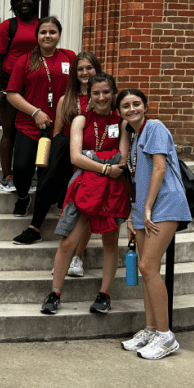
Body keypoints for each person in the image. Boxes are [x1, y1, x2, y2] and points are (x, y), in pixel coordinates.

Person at [40, 74, 130, 316]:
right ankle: (55, 293)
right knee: (68, 240)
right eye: (96, 92)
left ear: (113, 94)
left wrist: (95, 159)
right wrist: (104, 166)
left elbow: (121, 159)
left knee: (110, 242)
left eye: (106, 92)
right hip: (84, 186)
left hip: (111, 190)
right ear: (89, 95)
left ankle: (104, 295)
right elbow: (75, 157)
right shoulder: (81, 119)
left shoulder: (121, 123)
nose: (101, 97)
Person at [115, 88, 193, 359]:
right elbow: (137, 177)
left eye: (136, 103)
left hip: (166, 202)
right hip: (144, 207)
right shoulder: (135, 137)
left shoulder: (155, 127)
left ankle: (166, 335)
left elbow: (159, 169)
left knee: (148, 266)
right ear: (120, 113)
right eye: (125, 106)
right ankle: (150, 330)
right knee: (148, 269)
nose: (132, 108)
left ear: (145, 106)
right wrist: (132, 215)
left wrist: (146, 207)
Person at [12, 51, 102, 276]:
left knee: (81, 200)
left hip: (92, 154)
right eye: (80, 69)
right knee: (48, 184)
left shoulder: (101, 96)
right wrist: (51, 159)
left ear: (96, 70)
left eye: (89, 68)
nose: (84, 73)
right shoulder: (66, 99)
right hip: (66, 151)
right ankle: (37, 229)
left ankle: (76, 253)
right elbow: (59, 130)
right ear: (74, 72)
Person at [5, 16, 75, 216]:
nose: (48, 36)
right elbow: (12, 94)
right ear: (37, 36)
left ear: (59, 35)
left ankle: (40, 210)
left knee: (48, 172)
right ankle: (23, 197)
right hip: (29, 124)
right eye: (43, 32)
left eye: (52, 32)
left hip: (59, 127)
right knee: (21, 169)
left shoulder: (70, 57)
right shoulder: (25, 60)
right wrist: (35, 112)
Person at [0, 0, 40, 191]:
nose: (24, 2)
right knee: (9, 131)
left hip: (34, 85)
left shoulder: (42, 26)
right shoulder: (7, 26)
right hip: (10, 84)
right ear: (14, 2)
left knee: (35, 132)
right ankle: (7, 176)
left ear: (35, 1)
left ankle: (33, 175)